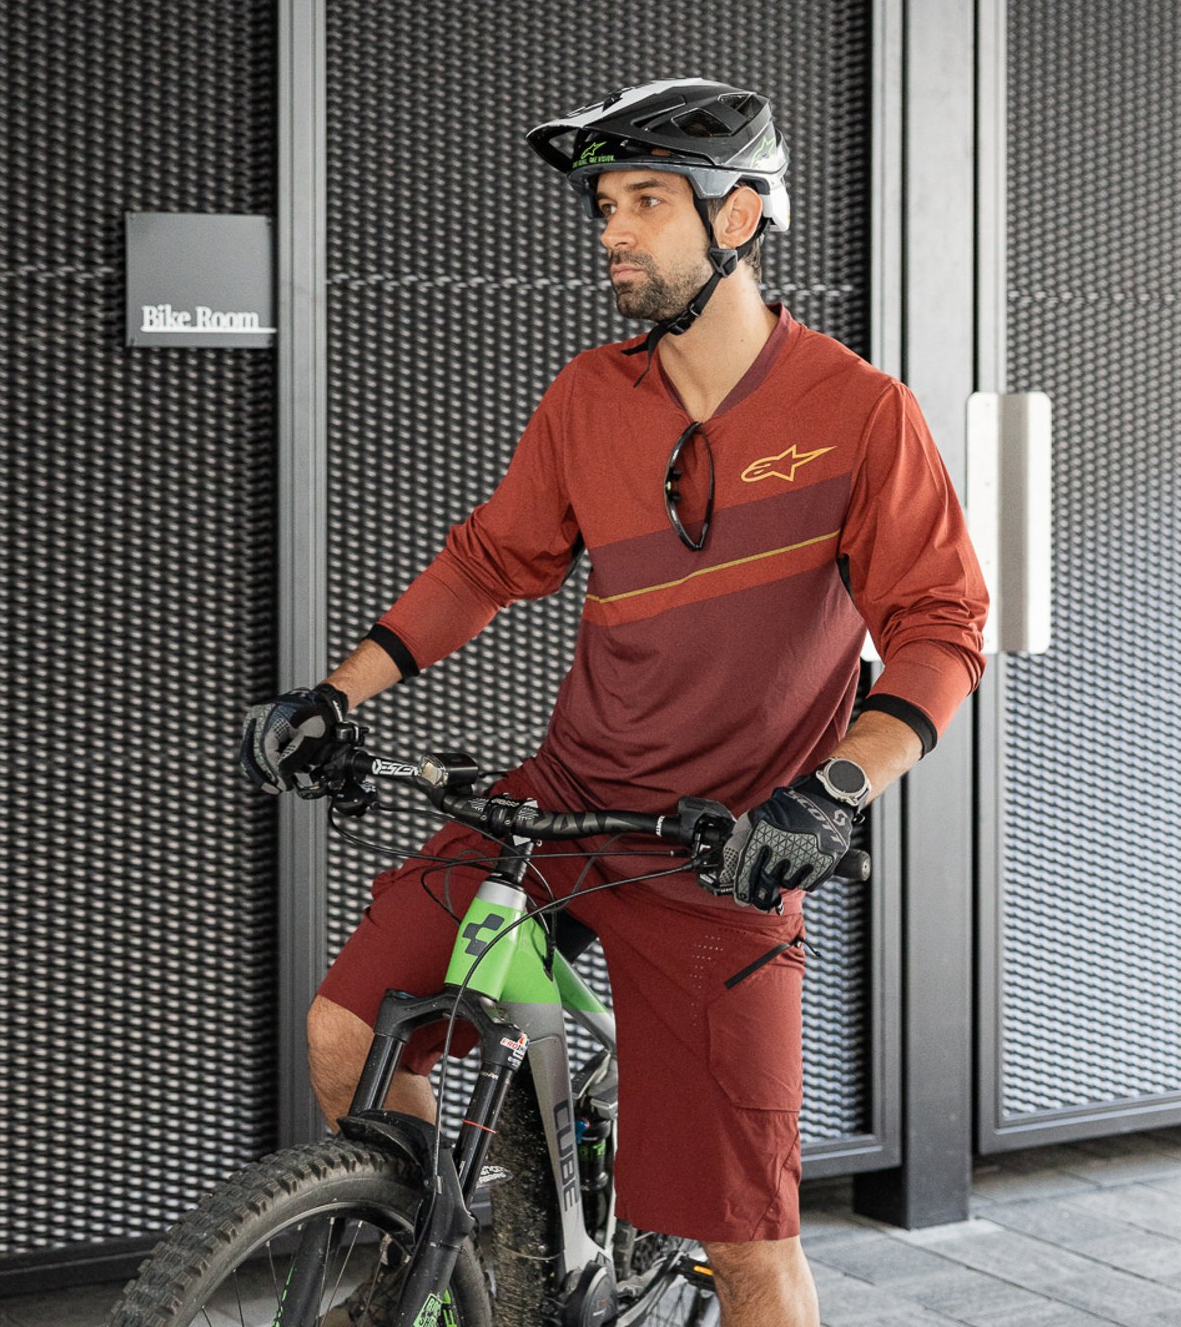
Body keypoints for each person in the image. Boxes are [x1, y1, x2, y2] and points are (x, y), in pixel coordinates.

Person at [240, 78, 990, 1327]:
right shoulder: (591, 397)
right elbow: (493, 561)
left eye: (646, 201)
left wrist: (835, 790)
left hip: (723, 847)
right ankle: (459, 1249)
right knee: (345, 1030)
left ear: (738, 216)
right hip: (568, 804)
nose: (612, 232)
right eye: (604, 204)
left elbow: (941, 629)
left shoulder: (859, 412)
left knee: (747, 1245)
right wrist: (337, 690)